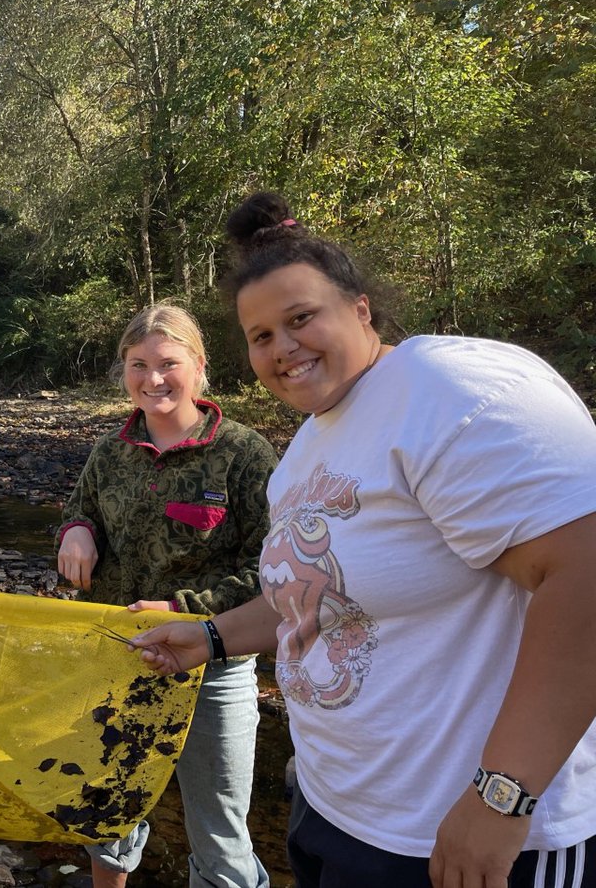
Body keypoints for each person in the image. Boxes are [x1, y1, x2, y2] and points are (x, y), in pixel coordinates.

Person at [130, 192, 596, 888]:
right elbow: (316, 596)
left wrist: (502, 797)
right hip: (335, 814)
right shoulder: (307, 451)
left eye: (300, 318)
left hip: (461, 836)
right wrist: (211, 636)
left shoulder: (448, 389)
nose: (282, 348)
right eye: (260, 336)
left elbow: (584, 575)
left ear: (360, 308)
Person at [57, 303, 276, 888]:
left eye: (168, 363)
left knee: (220, 826)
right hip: (118, 655)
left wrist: (187, 611)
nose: (153, 379)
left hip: (217, 663)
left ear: (200, 366)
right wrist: (75, 530)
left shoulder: (244, 454)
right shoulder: (110, 452)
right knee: (108, 806)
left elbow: (274, 570)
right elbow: (80, 511)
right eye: (138, 365)